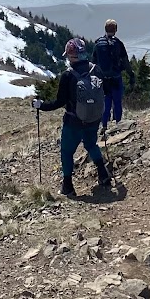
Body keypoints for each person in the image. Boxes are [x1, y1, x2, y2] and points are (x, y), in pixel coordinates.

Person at [32, 38, 114, 197]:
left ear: (71, 56)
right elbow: (107, 90)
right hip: (94, 118)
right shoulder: (96, 69)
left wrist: (41, 105)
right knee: (91, 144)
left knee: (67, 151)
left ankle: (68, 185)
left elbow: (59, 102)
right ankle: (103, 174)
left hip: (74, 121)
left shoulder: (68, 75)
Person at [91, 19, 131, 138]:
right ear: (115, 30)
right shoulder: (118, 43)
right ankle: (119, 124)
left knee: (106, 102)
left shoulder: (98, 43)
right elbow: (125, 61)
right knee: (117, 101)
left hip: (103, 78)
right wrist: (130, 74)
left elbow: (93, 62)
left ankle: (104, 125)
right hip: (116, 76)